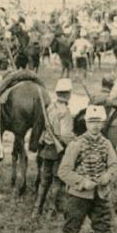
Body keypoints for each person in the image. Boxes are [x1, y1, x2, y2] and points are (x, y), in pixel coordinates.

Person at [56, 105, 117, 233]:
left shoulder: (106, 144)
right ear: (86, 123)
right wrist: (82, 182)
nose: (95, 126)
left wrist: (107, 177)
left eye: (98, 122)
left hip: (100, 196)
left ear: (102, 123)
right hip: (78, 197)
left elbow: (114, 166)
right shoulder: (76, 144)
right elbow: (63, 171)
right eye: (91, 122)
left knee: (105, 231)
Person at [35, 78, 75, 219]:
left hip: (47, 147)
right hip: (59, 150)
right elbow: (65, 135)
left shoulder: (50, 107)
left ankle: (37, 209)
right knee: (57, 180)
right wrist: (74, 142)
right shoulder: (65, 111)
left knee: (44, 180)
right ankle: (51, 211)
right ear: (67, 94)